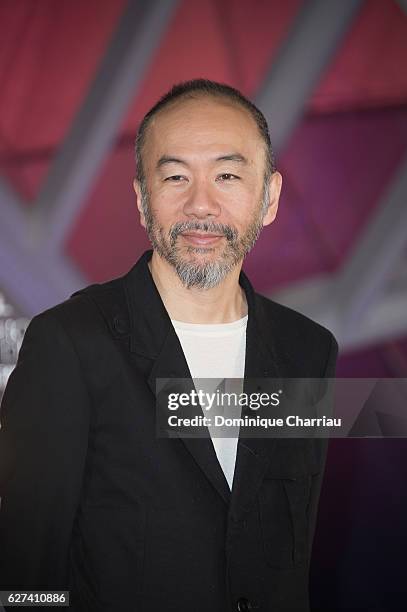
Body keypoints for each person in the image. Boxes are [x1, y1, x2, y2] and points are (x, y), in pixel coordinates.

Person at [0, 79, 338, 612]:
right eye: (175, 176)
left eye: (227, 175)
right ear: (141, 199)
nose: (200, 204)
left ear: (269, 197)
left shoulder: (309, 351)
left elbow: (289, 557)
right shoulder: (70, 343)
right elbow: (22, 575)